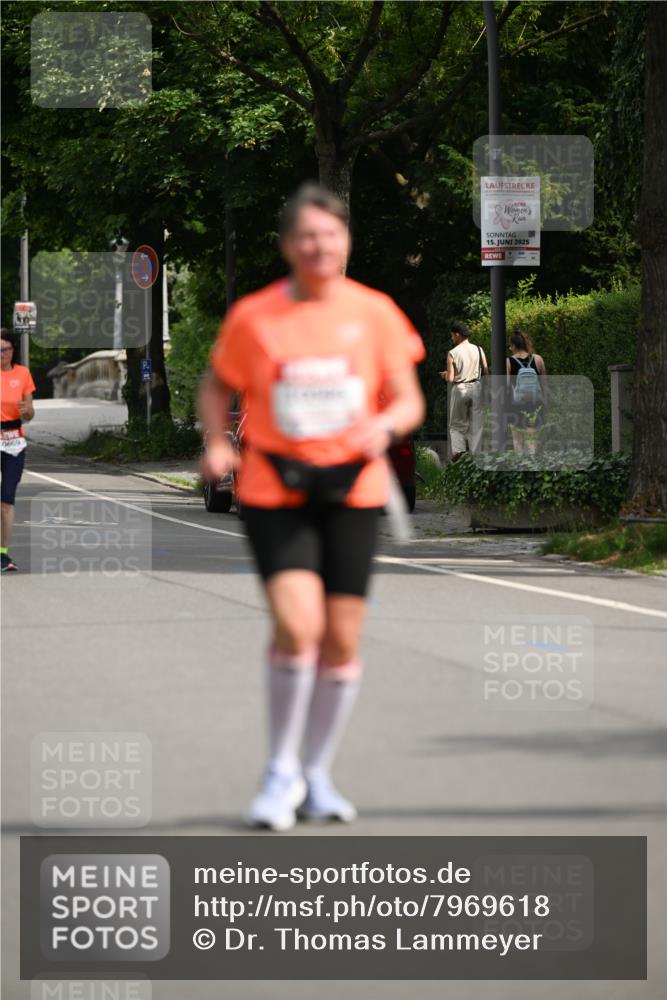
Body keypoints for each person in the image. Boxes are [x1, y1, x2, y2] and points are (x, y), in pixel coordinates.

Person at [198, 182, 425, 831]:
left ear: (344, 242)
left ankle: (317, 774)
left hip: (353, 487)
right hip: (276, 487)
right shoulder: (256, 316)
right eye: (307, 236)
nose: (320, 246)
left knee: (342, 639)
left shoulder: (375, 312)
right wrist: (217, 443)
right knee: (298, 627)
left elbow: (409, 398)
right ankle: (279, 773)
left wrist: (386, 426)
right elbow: (215, 386)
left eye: (331, 235)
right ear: (287, 246)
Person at [1, 328, 35, 572]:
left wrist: (27, 411)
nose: (2, 354)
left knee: (6, 501)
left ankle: (3, 554)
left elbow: (30, 413)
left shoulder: (23, 374)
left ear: (13, 350)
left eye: (6, 349)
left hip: (14, 443)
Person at [440, 321, 487, 461]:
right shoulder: (479, 349)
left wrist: (444, 374)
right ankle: (475, 458)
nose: (452, 338)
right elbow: (485, 371)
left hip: (460, 389)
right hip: (476, 387)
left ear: (457, 334)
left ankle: (459, 455)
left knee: (456, 425)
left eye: (452, 336)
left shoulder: (453, 353)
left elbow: (450, 378)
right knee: (477, 425)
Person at [506, 328, 547, 454]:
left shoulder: (509, 362)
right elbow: (544, 385)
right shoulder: (538, 359)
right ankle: (532, 464)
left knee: (517, 442)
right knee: (532, 441)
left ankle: (520, 465)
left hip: (516, 405)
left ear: (514, 346)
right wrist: (545, 405)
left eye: (510, 346)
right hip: (535, 404)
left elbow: (506, 387)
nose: (510, 349)